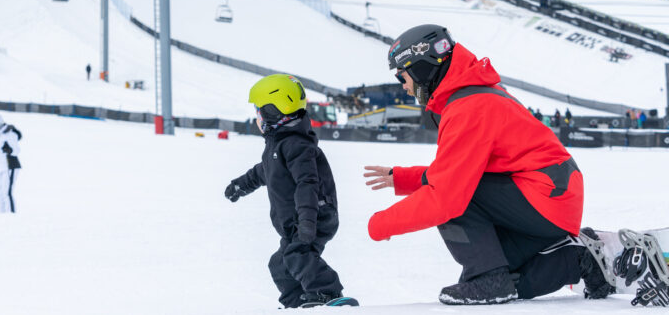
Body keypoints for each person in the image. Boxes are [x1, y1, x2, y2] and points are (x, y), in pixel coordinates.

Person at [364, 24, 613, 305]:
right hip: (552, 200)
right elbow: (459, 171)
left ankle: (487, 279)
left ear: (422, 66)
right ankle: (578, 260)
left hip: (545, 196)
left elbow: (447, 195)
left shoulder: (469, 107)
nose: (404, 86)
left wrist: (381, 224)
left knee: (456, 203)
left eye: (403, 76)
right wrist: (404, 179)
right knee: (509, 276)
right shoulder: (472, 96)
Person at [223, 74, 358, 309]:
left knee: (297, 255)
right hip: (296, 221)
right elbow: (263, 172)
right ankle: (297, 302)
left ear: (271, 111)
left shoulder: (297, 146)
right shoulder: (278, 146)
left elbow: (308, 183)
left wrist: (307, 220)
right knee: (280, 264)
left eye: (258, 110)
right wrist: (240, 185)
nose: (256, 116)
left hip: (314, 216)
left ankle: (328, 294)